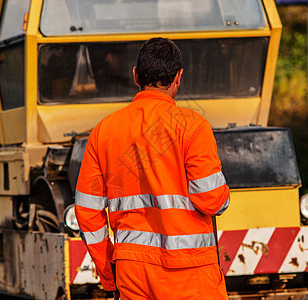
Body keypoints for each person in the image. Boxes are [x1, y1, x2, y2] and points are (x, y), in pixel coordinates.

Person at [75, 37, 230, 300]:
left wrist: (109, 273)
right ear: (178, 77)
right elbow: (212, 200)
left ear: (136, 76)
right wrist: (225, 196)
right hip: (190, 272)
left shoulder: (104, 131)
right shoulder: (192, 126)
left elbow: (88, 212)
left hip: (132, 273)